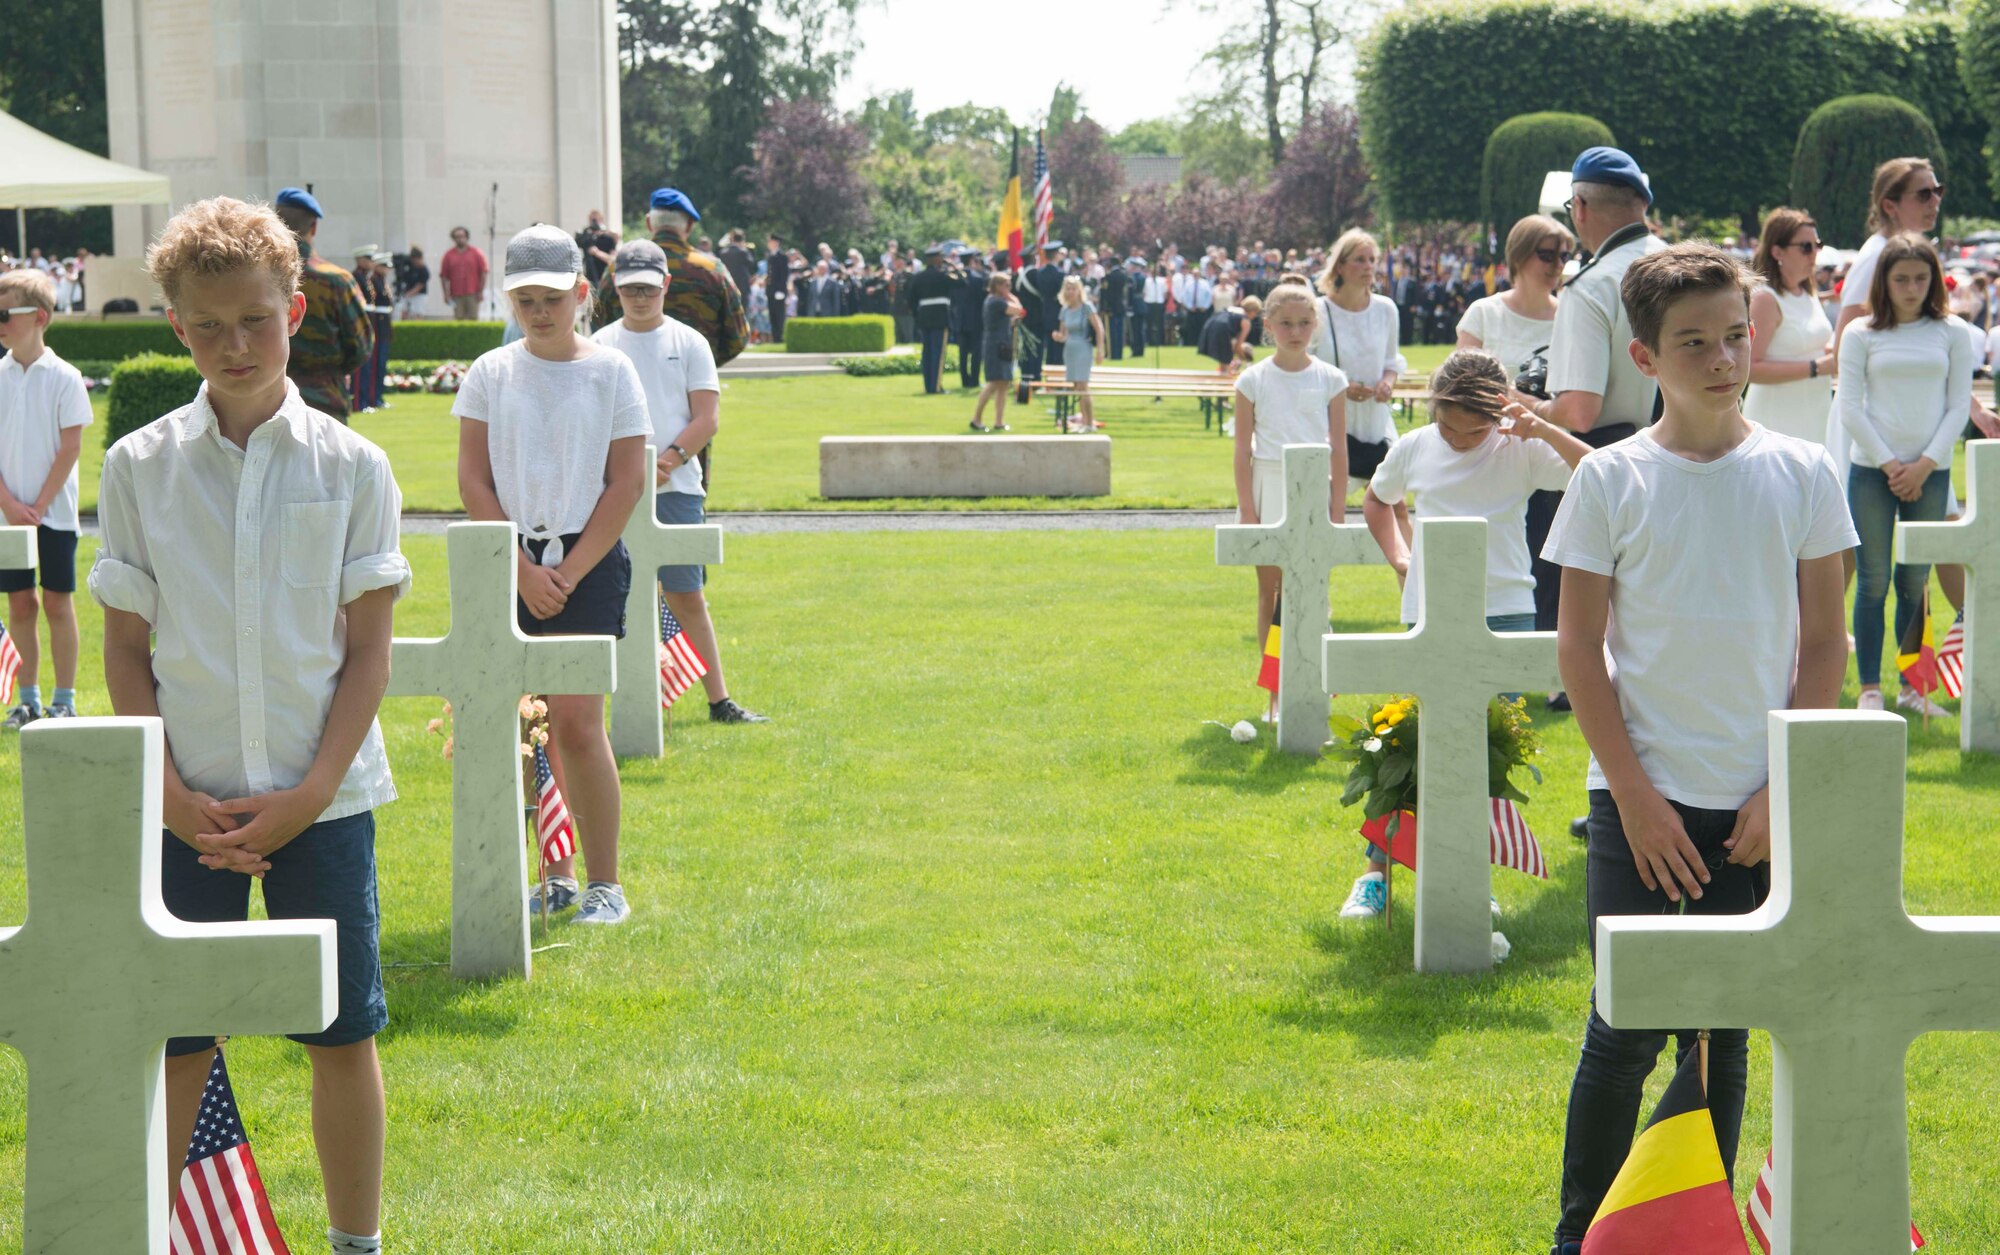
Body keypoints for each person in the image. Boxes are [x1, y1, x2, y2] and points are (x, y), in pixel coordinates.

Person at [93, 195, 409, 1255]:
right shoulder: (140, 467)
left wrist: (313, 790)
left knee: (341, 1029)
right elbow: (128, 649)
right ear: (175, 326)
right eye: (209, 325)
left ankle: (354, 1240)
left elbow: (367, 648)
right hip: (188, 800)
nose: (235, 345)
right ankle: (153, 1233)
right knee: (178, 1035)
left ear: (297, 308)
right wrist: (170, 799)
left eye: (257, 321)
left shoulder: (352, 467)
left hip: (323, 796)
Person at [1541, 243, 1854, 1254]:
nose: (1720, 359)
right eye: (1692, 344)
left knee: (1717, 1043)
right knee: (1620, 1035)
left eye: (1731, 337)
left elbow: (1822, 644)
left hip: (1754, 810)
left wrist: (1780, 785)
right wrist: (1630, 796)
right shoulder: (1611, 481)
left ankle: (1691, 1240)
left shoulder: (1801, 473)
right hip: (1640, 803)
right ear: (1644, 355)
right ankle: (1580, 1238)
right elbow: (1577, 650)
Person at [1337, 349, 1590, 920]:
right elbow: (1377, 499)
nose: (1456, 439)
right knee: (1404, 746)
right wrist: (1400, 557)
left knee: (1484, 754)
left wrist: (1540, 426)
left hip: (1503, 612)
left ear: (1500, 414)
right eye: (1446, 425)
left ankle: (1470, 873)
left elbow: (1599, 470)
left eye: (1473, 430)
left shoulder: (1521, 450)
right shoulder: (1414, 447)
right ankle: (1375, 873)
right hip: (1428, 610)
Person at [457, 224, 649, 925]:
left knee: (576, 722)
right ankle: (556, 872)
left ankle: (606, 882)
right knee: (530, 727)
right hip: (505, 561)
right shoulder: (490, 371)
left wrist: (563, 572)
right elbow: (474, 480)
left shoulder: (611, 371)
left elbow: (625, 482)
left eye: (552, 297)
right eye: (525, 299)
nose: (539, 311)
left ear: (580, 293)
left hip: (587, 560)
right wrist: (518, 570)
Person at [591, 237, 766, 739]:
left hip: (678, 485)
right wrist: (624, 469)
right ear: (616, 292)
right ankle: (607, 703)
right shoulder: (600, 346)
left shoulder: (690, 342)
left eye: (648, 288)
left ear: (666, 285)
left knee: (687, 595)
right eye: (630, 290)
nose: (640, 298)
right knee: (609, 597)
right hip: (612, 488)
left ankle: (720, 699)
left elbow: (706, 417)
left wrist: (668, 459)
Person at [1511, 147, 1667, 708]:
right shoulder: (1692, 267)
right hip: (1703, 452)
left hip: (1610, 461)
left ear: (1578, 207)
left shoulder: (1593, 284)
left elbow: (1577, 409)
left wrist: (1527, 406)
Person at [1839, 233, 1969, 716]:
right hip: (1873, 470)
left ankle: (1915, 688)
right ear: (1884, 282)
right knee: (1872, 580)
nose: (1911, 287)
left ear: (1933, 279)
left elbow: (1958, 406)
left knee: (1916, 582)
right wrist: (1893, 465)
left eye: (1920, 278)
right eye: (1901, 279)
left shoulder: (1952, 330)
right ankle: (1871, 688)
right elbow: (1850, 407)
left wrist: (1925, 465)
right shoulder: (1861, 333)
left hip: (1930, 473)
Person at [1231, 282, 1348, 722]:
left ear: (1315, 325)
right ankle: (1276, 695)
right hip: (1269, 486)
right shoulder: (1253, 379)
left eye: (1303, 323)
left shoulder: (1332, 380)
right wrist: (1248, 510)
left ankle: (1313, 686)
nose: (1295, 331)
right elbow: (1243, 449)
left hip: (1315, 490)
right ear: (1269, 326)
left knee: (1312, 593)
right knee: (1272, 593)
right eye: (1285, 323)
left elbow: (1339, 448)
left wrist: (1336, 510)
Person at [0, 267, 91, 728]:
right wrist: (11, 507)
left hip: (54, 515)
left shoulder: (65, 377)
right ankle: (28, 698)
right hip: (8, 517)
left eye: (4, 314)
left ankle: (65, 698)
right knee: (20, 604)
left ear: (37, 316)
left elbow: (71, 446)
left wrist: (38, 505)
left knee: (57, 602)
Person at [1313, 228, 1410, 527]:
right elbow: (1304, 364)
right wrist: (1341, 387)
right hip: (1329, 422)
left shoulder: (1386, 309)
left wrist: (1387, 383)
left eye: (1372, 260)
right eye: (1359, 260)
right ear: (1340, 266)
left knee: (1396, 510)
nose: (1369, 266)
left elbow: (1391, 362)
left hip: (1375, 422)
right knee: (1325, 510)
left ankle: (1410, 573)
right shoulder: (1318, 311)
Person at [592, 189, 748, 372]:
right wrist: (701, 363)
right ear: (689, 225)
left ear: (649, 223)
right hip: (695, 386)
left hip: (627, 378)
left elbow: (598, 324)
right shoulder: (713, 271)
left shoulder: (619, 268)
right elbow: (738, 337)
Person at [272, 187, 373, 422]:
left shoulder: (257, 278)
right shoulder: (336, 280)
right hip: (325, 399)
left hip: (269, 401)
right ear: (314, 227)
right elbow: (361, 345)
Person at [1743, 207, 1835, 444]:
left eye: (1817, 245)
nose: (1814, 253)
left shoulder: (1807, 292)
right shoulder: (1766, 299)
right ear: (1777, 251)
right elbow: (1749, 368)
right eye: (1806, 247)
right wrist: (1815, 368)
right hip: (1776, 421)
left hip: (1815, 414)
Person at [1458, 214, 1570, 384]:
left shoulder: (1570, 317)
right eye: (1547, 255)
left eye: (1564, 256)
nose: (1559, 264)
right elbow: (1460, 386)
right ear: (1519, 256)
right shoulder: (1483, 313)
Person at [970, 269, 1023, 432]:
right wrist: (1010, 296)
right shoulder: (996, 302)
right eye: (1007, 285)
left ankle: (999, 421)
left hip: (1002, 343)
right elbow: (1020, 310)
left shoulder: (994, 300)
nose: (1009, 287)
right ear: (998, 286)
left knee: (1004, 383)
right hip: (996, 345)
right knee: (994, 382)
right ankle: (976, 418)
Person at [1052, 275, 1106, 432]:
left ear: (1079, 290)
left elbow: (1099, 328)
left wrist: (1100, 350)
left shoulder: (1086, 307)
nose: (1070, 291)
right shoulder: (1064, 310)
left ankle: (1090, 423)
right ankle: (1084, 421)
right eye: (1068, 288)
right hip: (1069, 349)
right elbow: (1064, 334)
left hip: (1083, 346)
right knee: (1076, 386)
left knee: (1083, 385)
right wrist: (1058, 337)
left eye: (1073, 288)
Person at [911, 245, 957, 395]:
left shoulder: (918, 277)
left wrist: (917, 316)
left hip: (924, 318)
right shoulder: (943, 275)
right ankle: (936, 387)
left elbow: (911, 300)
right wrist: (953, 267)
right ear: (937, 259)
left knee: (927, 353)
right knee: (938, 353)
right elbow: (963, 282)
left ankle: (928, 385)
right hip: (940, 317)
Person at [1199, 295, 1260, 375]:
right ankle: (1224, 383)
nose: (1255, 316)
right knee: (1226, 362)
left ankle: (1222, 377)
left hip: (1210, 325)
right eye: (1256, 313)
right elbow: (1238, 346)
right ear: (1253, 311)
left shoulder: (1233, 309)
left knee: (1224, 358)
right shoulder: (1246, 321)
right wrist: (1246, 359)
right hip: (1222, 330)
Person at [953, 248, 988, 389]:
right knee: (975, 352)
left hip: (960, 319)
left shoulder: (955, 278)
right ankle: (974, 379)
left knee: (962, 353)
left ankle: (964, 380)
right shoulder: (978, 279)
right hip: (976, 319)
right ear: (973, 260)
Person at [439, 225, 489, 320]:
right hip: (456, 294)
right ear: (453, 239)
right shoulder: (448, 255)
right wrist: (445, 294)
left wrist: (481, 291)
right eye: (457, 237)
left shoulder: (476, 253)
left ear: (466, 237)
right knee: (459, 319)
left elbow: (484, 272)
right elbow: (443, 276)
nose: (460, 239)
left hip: (473, 293)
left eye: (462, 236)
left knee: (473, 318)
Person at [577, 210, 618, 288]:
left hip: (605, 279)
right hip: (589, 279)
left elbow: (613, 260)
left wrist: (597, 253)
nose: (593, 223)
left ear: (601, 220)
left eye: (595, 220)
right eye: (591, 220)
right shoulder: (586, 239)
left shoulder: (608, 239)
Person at [765, 233, 791, 344]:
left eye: (770, 241)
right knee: (772, 316)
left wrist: (780, 290)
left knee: (779, 315)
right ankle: (776, 338)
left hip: (778, 291)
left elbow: (783, 275)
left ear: (776, 243)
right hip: (771, 291)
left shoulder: (782, 257)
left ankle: (780, 337)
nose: (768, 243)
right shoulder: (770, 255)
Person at [716, 228, 755, 298]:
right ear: (742, 240)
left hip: (728, 286)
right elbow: (751, 263)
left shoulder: (723, 253)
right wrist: (745, 249)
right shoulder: (744, 252)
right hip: (742, 287)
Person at [394, 245, 429, 320]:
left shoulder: (424, 270)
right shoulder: (410, 265)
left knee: (418, 313)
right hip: (407, 292)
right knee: (404, 311)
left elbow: (419, 286)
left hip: (418, 294)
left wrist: (408, 294)